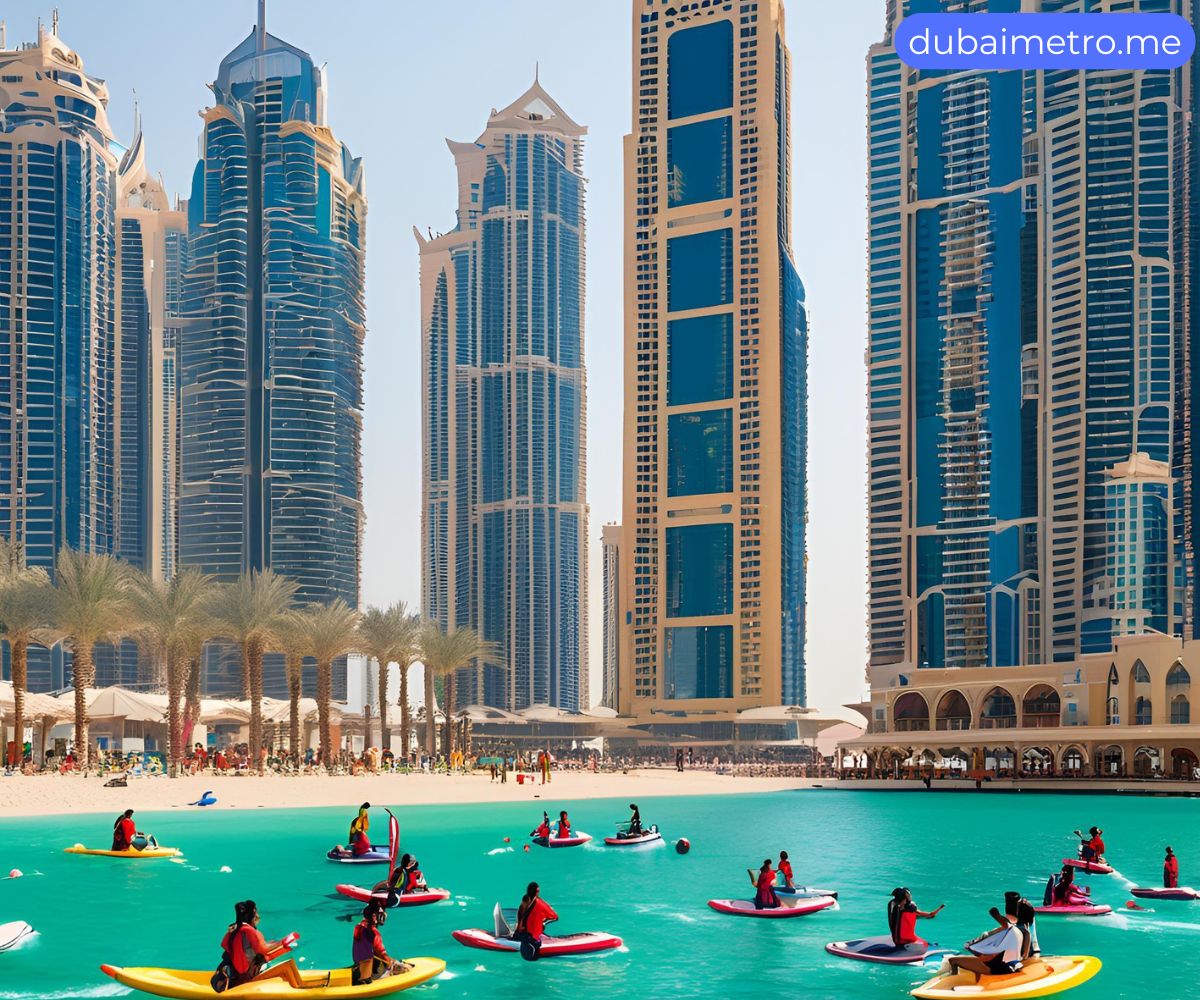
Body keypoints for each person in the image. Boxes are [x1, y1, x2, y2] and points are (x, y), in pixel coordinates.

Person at [215, 900, 305, 990]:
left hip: (240, 974)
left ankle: (293, 985)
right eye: (255, 911)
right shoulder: (249, 930)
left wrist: (277, 945)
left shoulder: (235, 929)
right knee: (288, 964)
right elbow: (263, 950)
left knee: (284, 951)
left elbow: (225, 945)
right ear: (252, 914)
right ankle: (299, 986)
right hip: (248, 976)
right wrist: (282, 943)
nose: (257, 915)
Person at [948, 894, 1035, 982]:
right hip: (1005, 964)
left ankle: (951, 981)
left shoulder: (1014, 929)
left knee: (953, 960)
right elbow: (1025, 956)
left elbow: (994, 913)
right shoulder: (1025, 931)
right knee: (978, 957)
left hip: (996, 967)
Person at [351, 901, 408, 985]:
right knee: (400, 969)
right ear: (374, 916)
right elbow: (383, 955)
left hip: (358, 966)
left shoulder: (359, 927)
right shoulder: (374, 933)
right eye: (379, 915)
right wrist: (393, 963)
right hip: (366, 977)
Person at [515, 882, 558, 961]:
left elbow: (520, 917)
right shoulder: (539, 903)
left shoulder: (524, 901)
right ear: (537, 891)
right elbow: (555, 917)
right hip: (532, 945)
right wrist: (544, 923)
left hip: (523, 941)